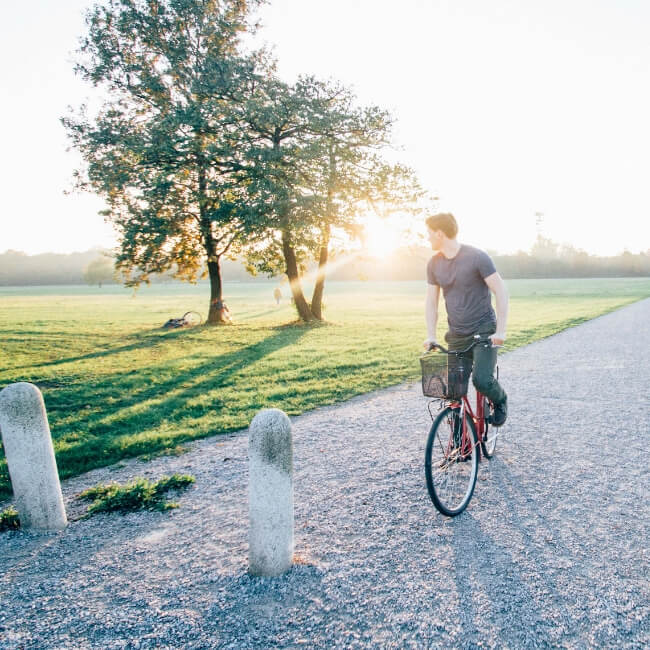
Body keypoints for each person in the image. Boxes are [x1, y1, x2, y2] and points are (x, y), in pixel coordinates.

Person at [423, 212, 508, 426]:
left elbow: (500, 291)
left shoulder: (477, 257)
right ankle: (462, 442)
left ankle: (501, 400)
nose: (428, 238)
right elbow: (431, 302)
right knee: (452, 393)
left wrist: (501, 330)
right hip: (456, 335)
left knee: (481, 380)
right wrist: (431, 335)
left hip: (484, 330)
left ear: (440, 234)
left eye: (430, 234)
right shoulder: (434, 264)